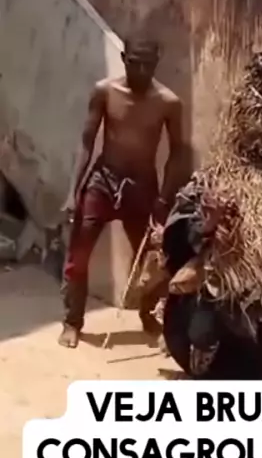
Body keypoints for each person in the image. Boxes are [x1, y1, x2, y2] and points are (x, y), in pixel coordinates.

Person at [58, 38, 185, 349]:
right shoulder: (105, 91)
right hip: (103, 180)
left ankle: (147, 314)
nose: (141, 71)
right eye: (134, 63)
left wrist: (163, 199)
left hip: (142, 187)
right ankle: (72, 321)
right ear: (123, 57)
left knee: (152, 258)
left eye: (148, 64)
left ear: (157, 61)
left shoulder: (169, 102)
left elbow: (178, 153)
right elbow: (87, 142)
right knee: (78, 255)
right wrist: (73, 192)